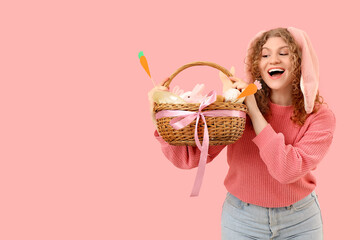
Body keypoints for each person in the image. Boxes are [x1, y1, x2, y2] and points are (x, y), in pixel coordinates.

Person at [148, 27, 335, 239]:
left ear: (301, 62)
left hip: (300, 222)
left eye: (284, 53)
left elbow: (287, 170)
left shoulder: (320, 117)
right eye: (265, 55)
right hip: (241, 220)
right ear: (257, 65)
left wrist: (254, 112)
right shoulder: (235, 111)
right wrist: (162, 118)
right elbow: (190, 158)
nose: (273, 60)